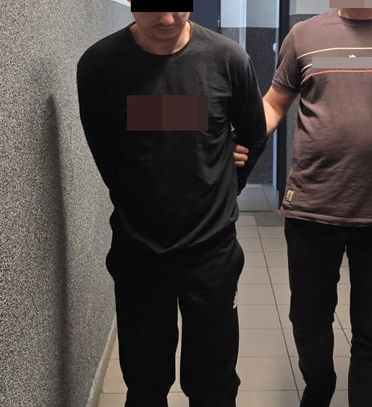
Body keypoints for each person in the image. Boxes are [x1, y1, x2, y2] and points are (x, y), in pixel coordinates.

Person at [248, 5, 372, 407]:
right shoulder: (302, 37)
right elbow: (273, 104)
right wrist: (232, 143)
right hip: (311, 207)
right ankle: (319, 384)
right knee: (307, 320)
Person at [76, 4, 267, 406]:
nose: (166, 19)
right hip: (138, 251)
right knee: (145, 385)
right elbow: (105, 151)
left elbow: (253, 133)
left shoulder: (228, 60)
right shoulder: (99, 65)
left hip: (212, 252)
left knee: (213, 386)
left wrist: (224, 186)